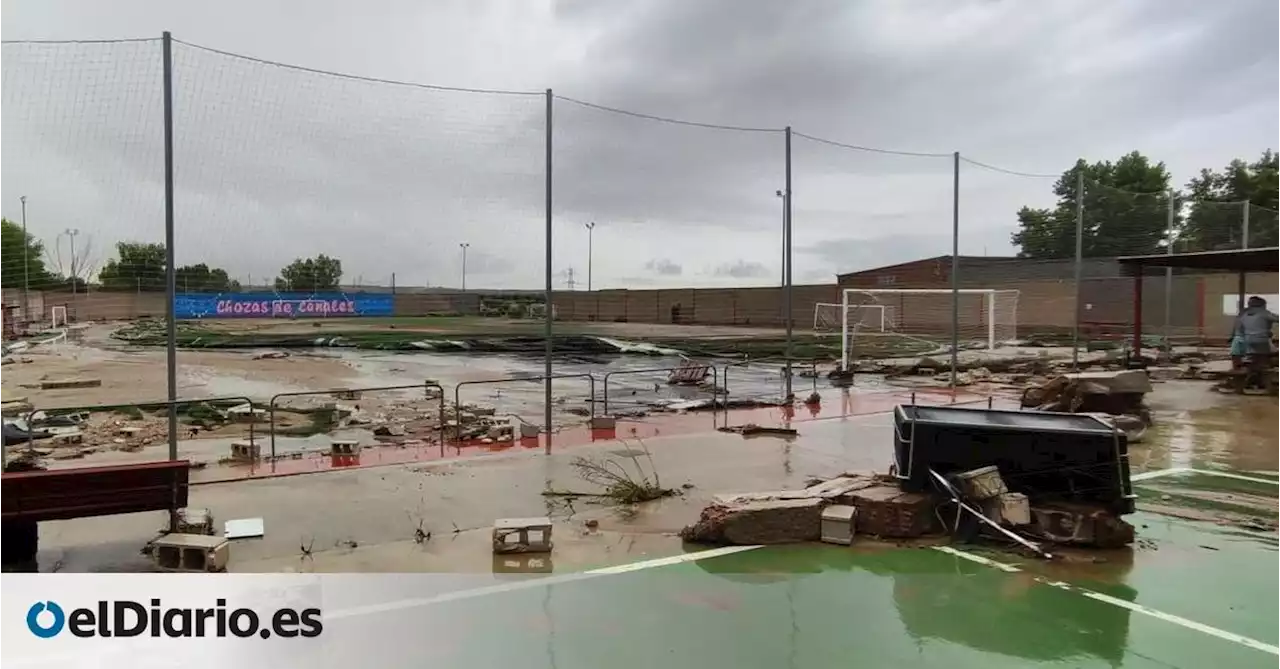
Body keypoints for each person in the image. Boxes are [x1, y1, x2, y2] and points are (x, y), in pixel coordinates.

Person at [1233, 296, 1278, 385]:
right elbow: (1277, 319)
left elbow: (1239, 329)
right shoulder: (1264, 313)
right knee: (1263, 361)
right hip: (1261, 340)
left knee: (1253, 359)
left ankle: (1251, 378)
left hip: (1247, 340)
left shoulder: (1244, 314)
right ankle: (1260, 381)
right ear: (1262, 304)